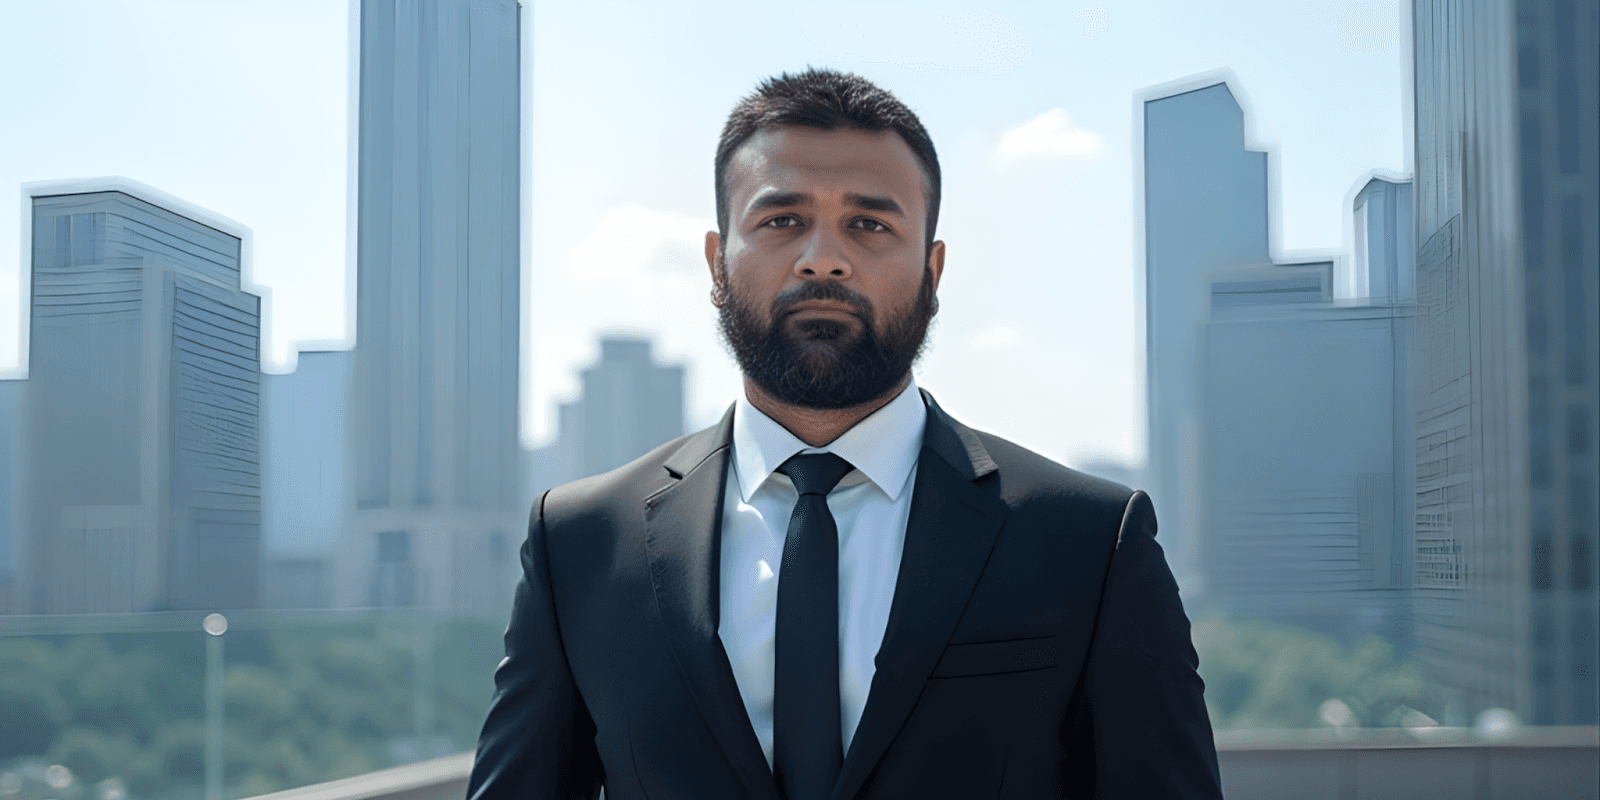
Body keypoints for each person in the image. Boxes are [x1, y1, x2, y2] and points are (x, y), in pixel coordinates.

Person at [467, 68, 1223, 800]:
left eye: (869, 223)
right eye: (781, 220)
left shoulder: (1090, 542)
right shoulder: (581, 543)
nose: (822, 257)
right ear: (715, 263)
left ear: (933, 271)